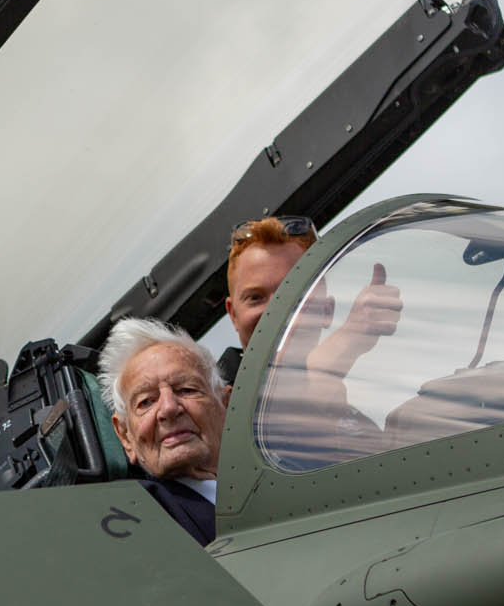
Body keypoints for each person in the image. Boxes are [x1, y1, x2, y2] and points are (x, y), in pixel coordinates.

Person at [222, 215, 403, 384]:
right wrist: (348, 338)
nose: (274, 312)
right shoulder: (210, 404)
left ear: (327, 311)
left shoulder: (346, 409)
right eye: (255, 298)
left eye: (293, 295)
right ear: (233, 315)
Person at [97, 319, 226, 543]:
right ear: (126, 437)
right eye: (146, 402)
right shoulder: (136, 522)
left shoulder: (289, 468)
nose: (168, 408)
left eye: (186, 389)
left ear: (227, 405)